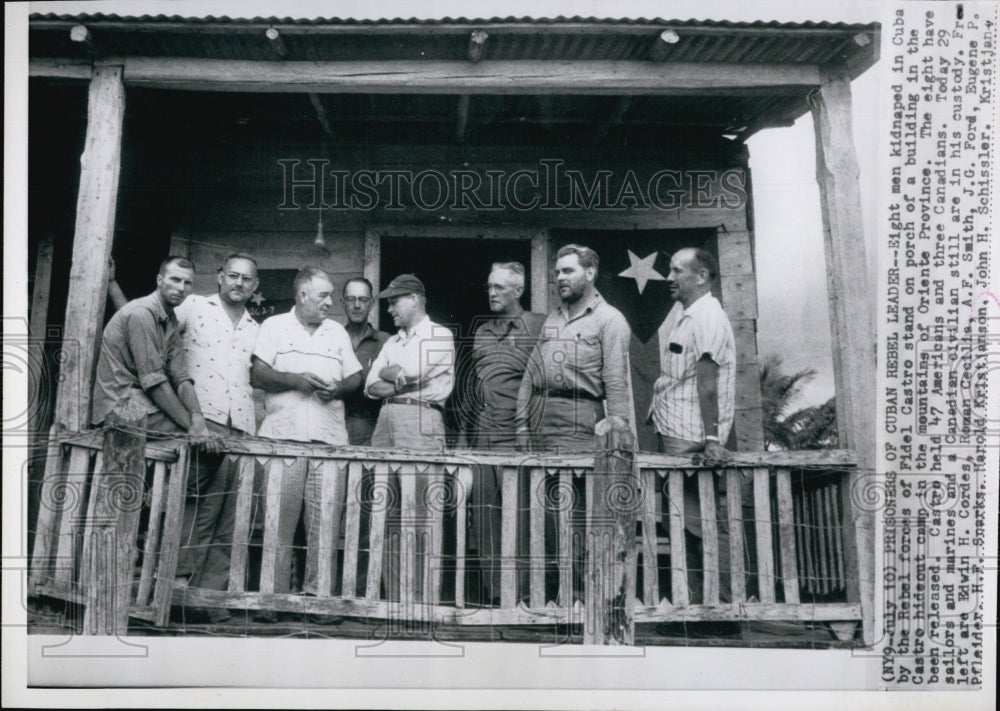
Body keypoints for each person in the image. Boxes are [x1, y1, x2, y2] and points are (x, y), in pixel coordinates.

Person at [514, 244, 633, 603]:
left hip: (582, 419)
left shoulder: (609, 320)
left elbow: (615, 384)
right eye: (557, 272)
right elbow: (530, 375)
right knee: (548, 515)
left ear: (590, 273)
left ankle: (581, 600)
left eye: (568, 271)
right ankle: (553, 599)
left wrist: (618, 436)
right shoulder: (553, 319)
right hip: (541, 421)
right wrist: (521, 424)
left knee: (577, 515)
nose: (559, 278)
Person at [251, 267, 362, 603]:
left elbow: (355, 378)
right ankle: (273, 599)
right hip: (282, 440)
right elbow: (257, 374)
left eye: (331, 295)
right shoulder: (273, 327)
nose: (330, 302)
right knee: (277, 525)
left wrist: (338, 388)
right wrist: (296, 380)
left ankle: (319, 598)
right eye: (323, 295)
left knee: (325, 526)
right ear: (301, 296)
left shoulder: (336, 333)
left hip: (328, 442)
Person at [169, 254, 260, 617]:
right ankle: (176, 592)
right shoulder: (193, 306)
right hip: (200, 422)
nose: (239, 283)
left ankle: (210, 601)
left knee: (229, 515)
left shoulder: (255, 325)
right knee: (191, 509)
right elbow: (150, 327)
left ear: (255, 286)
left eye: (247, 279)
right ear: (220, 276)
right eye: (233, 275)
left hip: (240, 427)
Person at [649, 247, 738, 607]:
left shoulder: (708, 317)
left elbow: (708, 380)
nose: (669, 279)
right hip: (677, 434)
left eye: (676, 271)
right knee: (683, 524)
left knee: (697, 525)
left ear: (701, 277)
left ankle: (719, 608)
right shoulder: (689, 316)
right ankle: (698, 606)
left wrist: (713, 439)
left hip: (690, 440)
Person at [364, 274, 454, 601]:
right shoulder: (393, 341)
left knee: (420, 514)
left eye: (394, 301)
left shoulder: (438, 335)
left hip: (421, 417)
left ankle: (421, 599)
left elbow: (413, 373)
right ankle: (396, 597)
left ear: (414, 299)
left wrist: (394, 374)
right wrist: (395, 376)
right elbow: (371, 385)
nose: (389, 309)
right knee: (386, 510)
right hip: (386, 420)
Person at [467, 262, 545, 605]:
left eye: (499, 287)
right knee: (484, 518)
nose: (492, 293)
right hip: (483, 437)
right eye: (489, 287)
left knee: (521, 517)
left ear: (518, 290)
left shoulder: (539, 326)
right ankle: (497, 596)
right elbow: (475, 387)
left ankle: (524, 596)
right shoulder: (482, 332)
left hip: (517, 437)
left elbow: (541, 384)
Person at [92, 256, 216, 443]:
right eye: (175, 279)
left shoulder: (170, 321)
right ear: (159, 280)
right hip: (121, 408)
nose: (181, 288)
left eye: (187, 283)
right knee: (207, 443)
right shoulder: (141, 313)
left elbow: (181, 378)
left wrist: (197, 417)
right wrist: (192, 428)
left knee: (211, 439)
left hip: (143, 407)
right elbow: (154, 383)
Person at [340, 278, 390, 446]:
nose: (356, 305)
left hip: (372, 429)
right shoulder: (331, 338)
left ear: (372, 303)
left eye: (363, 299)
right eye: (350, 299)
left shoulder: (386, 342)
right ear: (342, 303)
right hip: (334, 427)